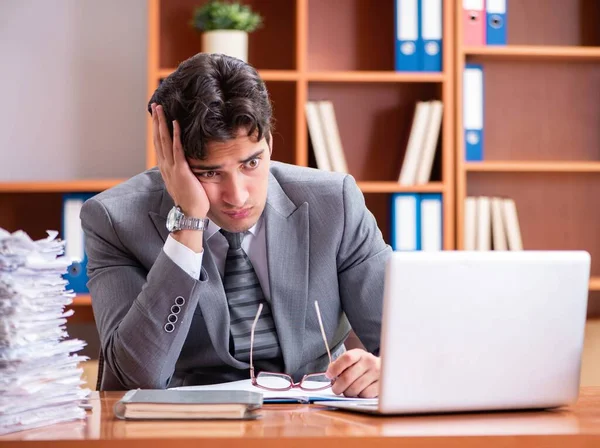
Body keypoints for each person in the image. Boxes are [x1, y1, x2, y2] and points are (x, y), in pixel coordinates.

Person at [81, 53, 391, 397]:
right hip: (189, 430)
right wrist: (188, 224)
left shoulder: (335, 202)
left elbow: (405, 345)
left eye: (251, 163)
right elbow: (133, 378)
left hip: (314, 419)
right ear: (171, 161)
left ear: (270, 144)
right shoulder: (113, 221)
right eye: (210, 173)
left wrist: (385, 369)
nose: (238, 196)